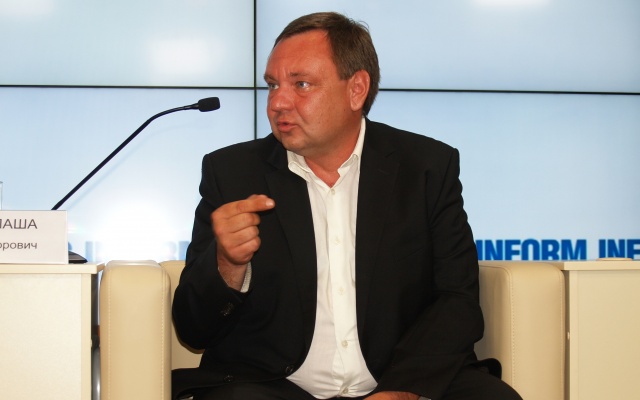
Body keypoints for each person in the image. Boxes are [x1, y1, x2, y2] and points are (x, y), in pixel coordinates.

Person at [172, 11, 522, 400]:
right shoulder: (232, 173)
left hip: (398, 379)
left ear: (356, 89)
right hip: (271, 386)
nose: (278, 102)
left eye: (301, 84)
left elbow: (456, 300)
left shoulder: (426, 167)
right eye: (272, 85)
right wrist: (227, 265)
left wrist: (401, 391)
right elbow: (193, 329)